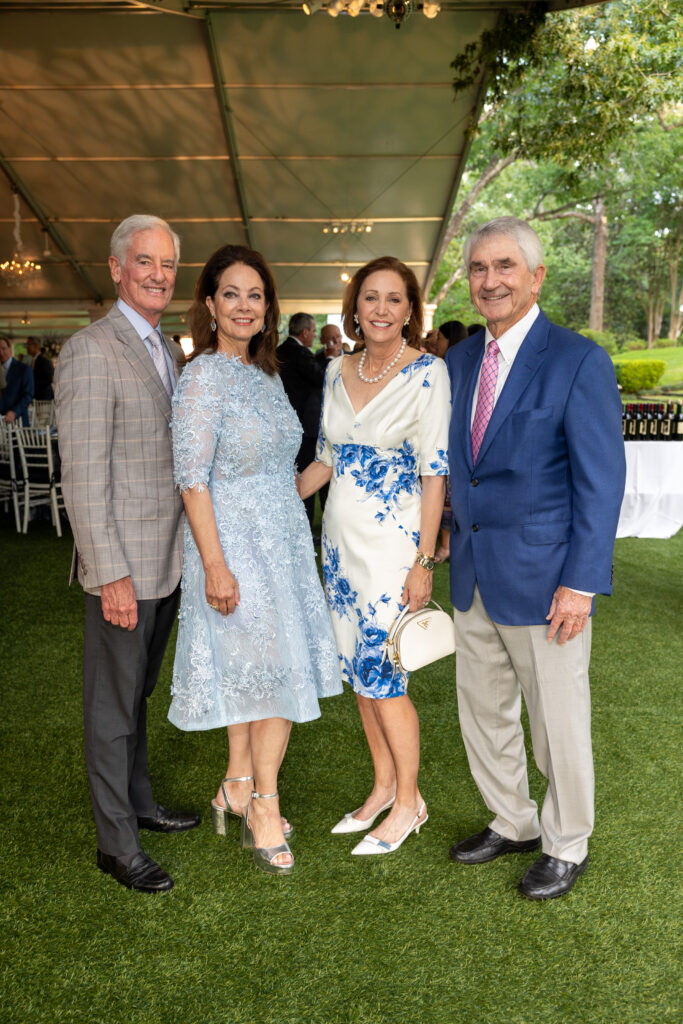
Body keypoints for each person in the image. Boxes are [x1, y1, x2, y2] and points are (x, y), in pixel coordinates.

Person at [446, 217, 626, 900]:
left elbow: (599, 482)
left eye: (503, 267)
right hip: (471, 573)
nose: (489, 281)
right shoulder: (459, 360)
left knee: (555, 718)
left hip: (548, 580)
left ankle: (565, 841)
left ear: (535, 276)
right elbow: (461, 465)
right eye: (477, 269)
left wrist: (579, 583)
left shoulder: (577, 360)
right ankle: (512, 820)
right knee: (483, 710)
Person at [169, 244, 341, 876]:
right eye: (231, 294)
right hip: (232, 548)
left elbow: (278, 474)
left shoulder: (267, 375)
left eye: (256, 295)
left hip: (285, 542)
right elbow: (192, 479)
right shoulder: (203, 376)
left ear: (268, 307)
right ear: (210, 305)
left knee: (259, 670)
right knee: (272, 674)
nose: (244, 306)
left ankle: (238, 786)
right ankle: (265, 805)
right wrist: (215, 565)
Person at [55, 214, 199, 895]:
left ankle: (140, 804)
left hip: (166, 562)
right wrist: (107, 571)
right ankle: (116, 844)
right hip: (125, 568)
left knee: (136, 696)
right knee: (112, 708)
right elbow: (82, 476)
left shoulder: (166, 349)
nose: (158, 274)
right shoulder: (90, 349)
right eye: (144, 261)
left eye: (168, 264)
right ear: (116, 268)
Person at [298, 256, 450, 856]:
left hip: (394, 551)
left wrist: (423, 562)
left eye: (394, 299)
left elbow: (435, 475)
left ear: (410, 309)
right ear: (354, 308)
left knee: (387, 681)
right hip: (338, 548)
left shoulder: (429, 373)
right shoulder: (335, 369)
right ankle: (384, 785)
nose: (381, 309)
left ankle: (411, 802)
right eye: (370, 298)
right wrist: (271, 501)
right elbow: (324, 460)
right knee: (362, 679)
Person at [277, 313, 325, 528]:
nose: (314, 335)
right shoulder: (300, 353)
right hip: (304, 427)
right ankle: (303, 527)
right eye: (314, 331)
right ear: (304, 332)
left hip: (283, 424)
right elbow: (321, 377)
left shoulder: (278, 351)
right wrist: (331, 359)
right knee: (304, 475)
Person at [0, 336, 34, 425]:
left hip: (18, 423)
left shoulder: (24, 369)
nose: (1, 352)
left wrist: (14, 412)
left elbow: (28, 396)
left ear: (10, 349)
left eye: (3, 348)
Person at [25, 337, 54, 401]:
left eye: (28, 344)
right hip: (37, 397)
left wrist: (33, 384)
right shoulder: (33, 360)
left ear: (36, 345)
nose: (27, 347)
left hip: (44, 399)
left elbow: (49, 378)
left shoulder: (44, 360)